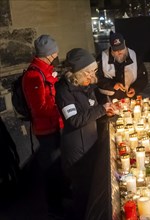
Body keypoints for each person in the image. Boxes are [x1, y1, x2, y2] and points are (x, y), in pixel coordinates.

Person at [55, 48, 117, 219]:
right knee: (82, 191)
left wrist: (105, 112)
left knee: (92, 187)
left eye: (94, 71)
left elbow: (91, 109)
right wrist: (101, 109)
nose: (92, 76)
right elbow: (74, 120)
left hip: (91, 142)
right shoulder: (64, 91)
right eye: (88, 72)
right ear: (78, 72)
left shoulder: (85, 84)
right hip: (77, 150)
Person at [22, 34, 66, 214]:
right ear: (48, 53)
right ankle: (54, 206)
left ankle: (62, 194)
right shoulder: (33, 75)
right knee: (51, 166)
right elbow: (39, 107)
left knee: (59, 163)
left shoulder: (46, 69)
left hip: (55, 124)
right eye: (54, 52)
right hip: (46, 128)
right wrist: (62, 107)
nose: (56, 54)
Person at [97, 32, 148, 103]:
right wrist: (113, 85)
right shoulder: (102, 58)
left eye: (121, 48)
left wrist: (135, 89)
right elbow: (96, 78)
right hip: (108, 100)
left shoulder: (134, 56)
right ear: (111, 47)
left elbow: (142, 77)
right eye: (116, 49)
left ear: (124, 43)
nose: (119, 51)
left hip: (129, 100)